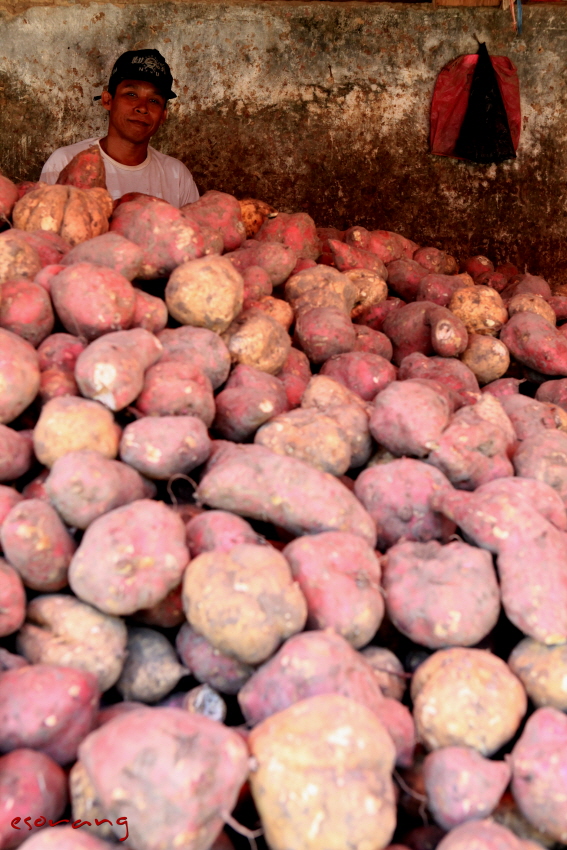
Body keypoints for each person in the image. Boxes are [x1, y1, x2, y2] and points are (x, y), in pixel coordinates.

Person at [40, 49, 199, 208]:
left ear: (163, 115)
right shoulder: (66, 162)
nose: (142, 108)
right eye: (131, 94)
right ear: (108, 101)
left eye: (154, 100)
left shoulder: (176, 175)